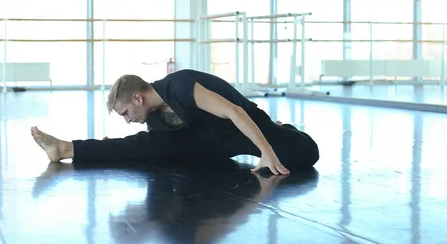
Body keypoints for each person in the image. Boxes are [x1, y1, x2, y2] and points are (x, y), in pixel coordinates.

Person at [30, 69, 319, 175]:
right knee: (138, 147)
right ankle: (65, 149)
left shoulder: (181, 86)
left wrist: (267, 151)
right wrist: (113, 148)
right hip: (206, 143)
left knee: (305, 155)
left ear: (138, 98)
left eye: (126, 113)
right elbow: (145, 144)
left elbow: (235, 113)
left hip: (238, 129)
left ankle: (283, 129)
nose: (128, 120)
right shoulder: (154, 119)